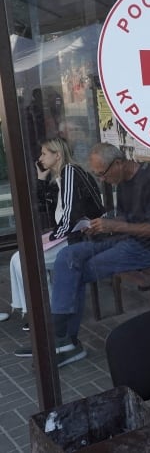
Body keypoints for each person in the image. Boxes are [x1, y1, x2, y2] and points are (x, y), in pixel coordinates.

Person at [14, 143, 150, 366]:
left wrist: (116, 226)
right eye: (97, 174)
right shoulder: (122, 181)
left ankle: (63, 339)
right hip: (127, 239)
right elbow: (126, 219)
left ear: (119, 163)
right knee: (68, 257)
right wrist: (100, 225)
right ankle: (61, 338)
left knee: (78, 269)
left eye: (102, 173)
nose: (101, 179)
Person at [0, 137, 104, 329]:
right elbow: (41, 207)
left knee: (25, 261)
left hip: (78, 237)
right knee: (18, 258)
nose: (40, 158)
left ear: (58, 156)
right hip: (66, 234)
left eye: (44, 154)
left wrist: (53, 238)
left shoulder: (71, 172)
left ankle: (46, 313)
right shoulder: (59, 177)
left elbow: (72, 215)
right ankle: (33, 311)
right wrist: (41, 178)